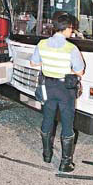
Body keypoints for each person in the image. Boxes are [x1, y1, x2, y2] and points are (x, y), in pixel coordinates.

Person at [30, 14, 85, 172]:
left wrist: (47, 62)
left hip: (48, 87)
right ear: (66, 28)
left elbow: (33, 62)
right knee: (67, 123)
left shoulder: (42, 44)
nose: (72, 32)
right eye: (71, 29)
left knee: (48, 118)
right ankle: (65, 163)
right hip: (65, 90)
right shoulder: (71, 48)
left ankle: (47, 155)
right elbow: (80, 71)